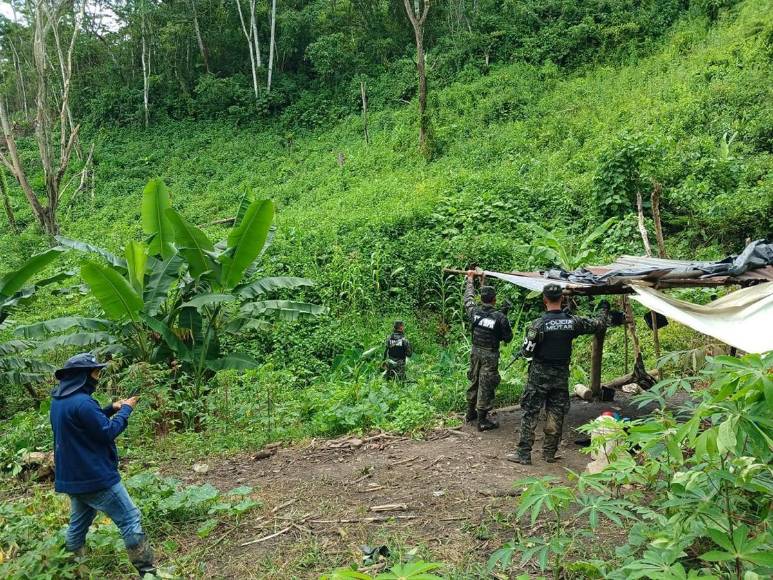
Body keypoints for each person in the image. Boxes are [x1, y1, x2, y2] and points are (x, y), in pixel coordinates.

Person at [49, 353, 155, 576]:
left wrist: (110, 408)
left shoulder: (59, 402)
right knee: (130, 518)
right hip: (95, 477)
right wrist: (126, 410)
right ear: (82, 376)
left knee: (78, 526)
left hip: (72, 478)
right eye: (95, 373)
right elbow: (107, 433)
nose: (98, 377)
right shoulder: (84, 403)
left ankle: (72, 570)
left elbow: (82, 423)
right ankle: (148, 572)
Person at [506, 284, 610, 465]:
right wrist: (603, 309)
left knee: (530, 412)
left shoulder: (537, 325)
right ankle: (549, 453)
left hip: (539, 376)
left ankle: (523, 454)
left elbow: (528, 352)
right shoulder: (573, 322)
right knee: (556, 412)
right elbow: (598, 325)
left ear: (544, 299)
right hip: (560, 376)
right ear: (562, 298)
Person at [464, 270, 513, 431]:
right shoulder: (500, 317)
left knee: (474, 380)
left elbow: (468, 299)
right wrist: (503, 317)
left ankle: (470, 413)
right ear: (494, 299)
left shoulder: (474, 312)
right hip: (490, 354)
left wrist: (470, 280)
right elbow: (507, 338)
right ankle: (482, 421)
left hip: (475, 351)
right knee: (486, 384)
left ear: (482, 299)